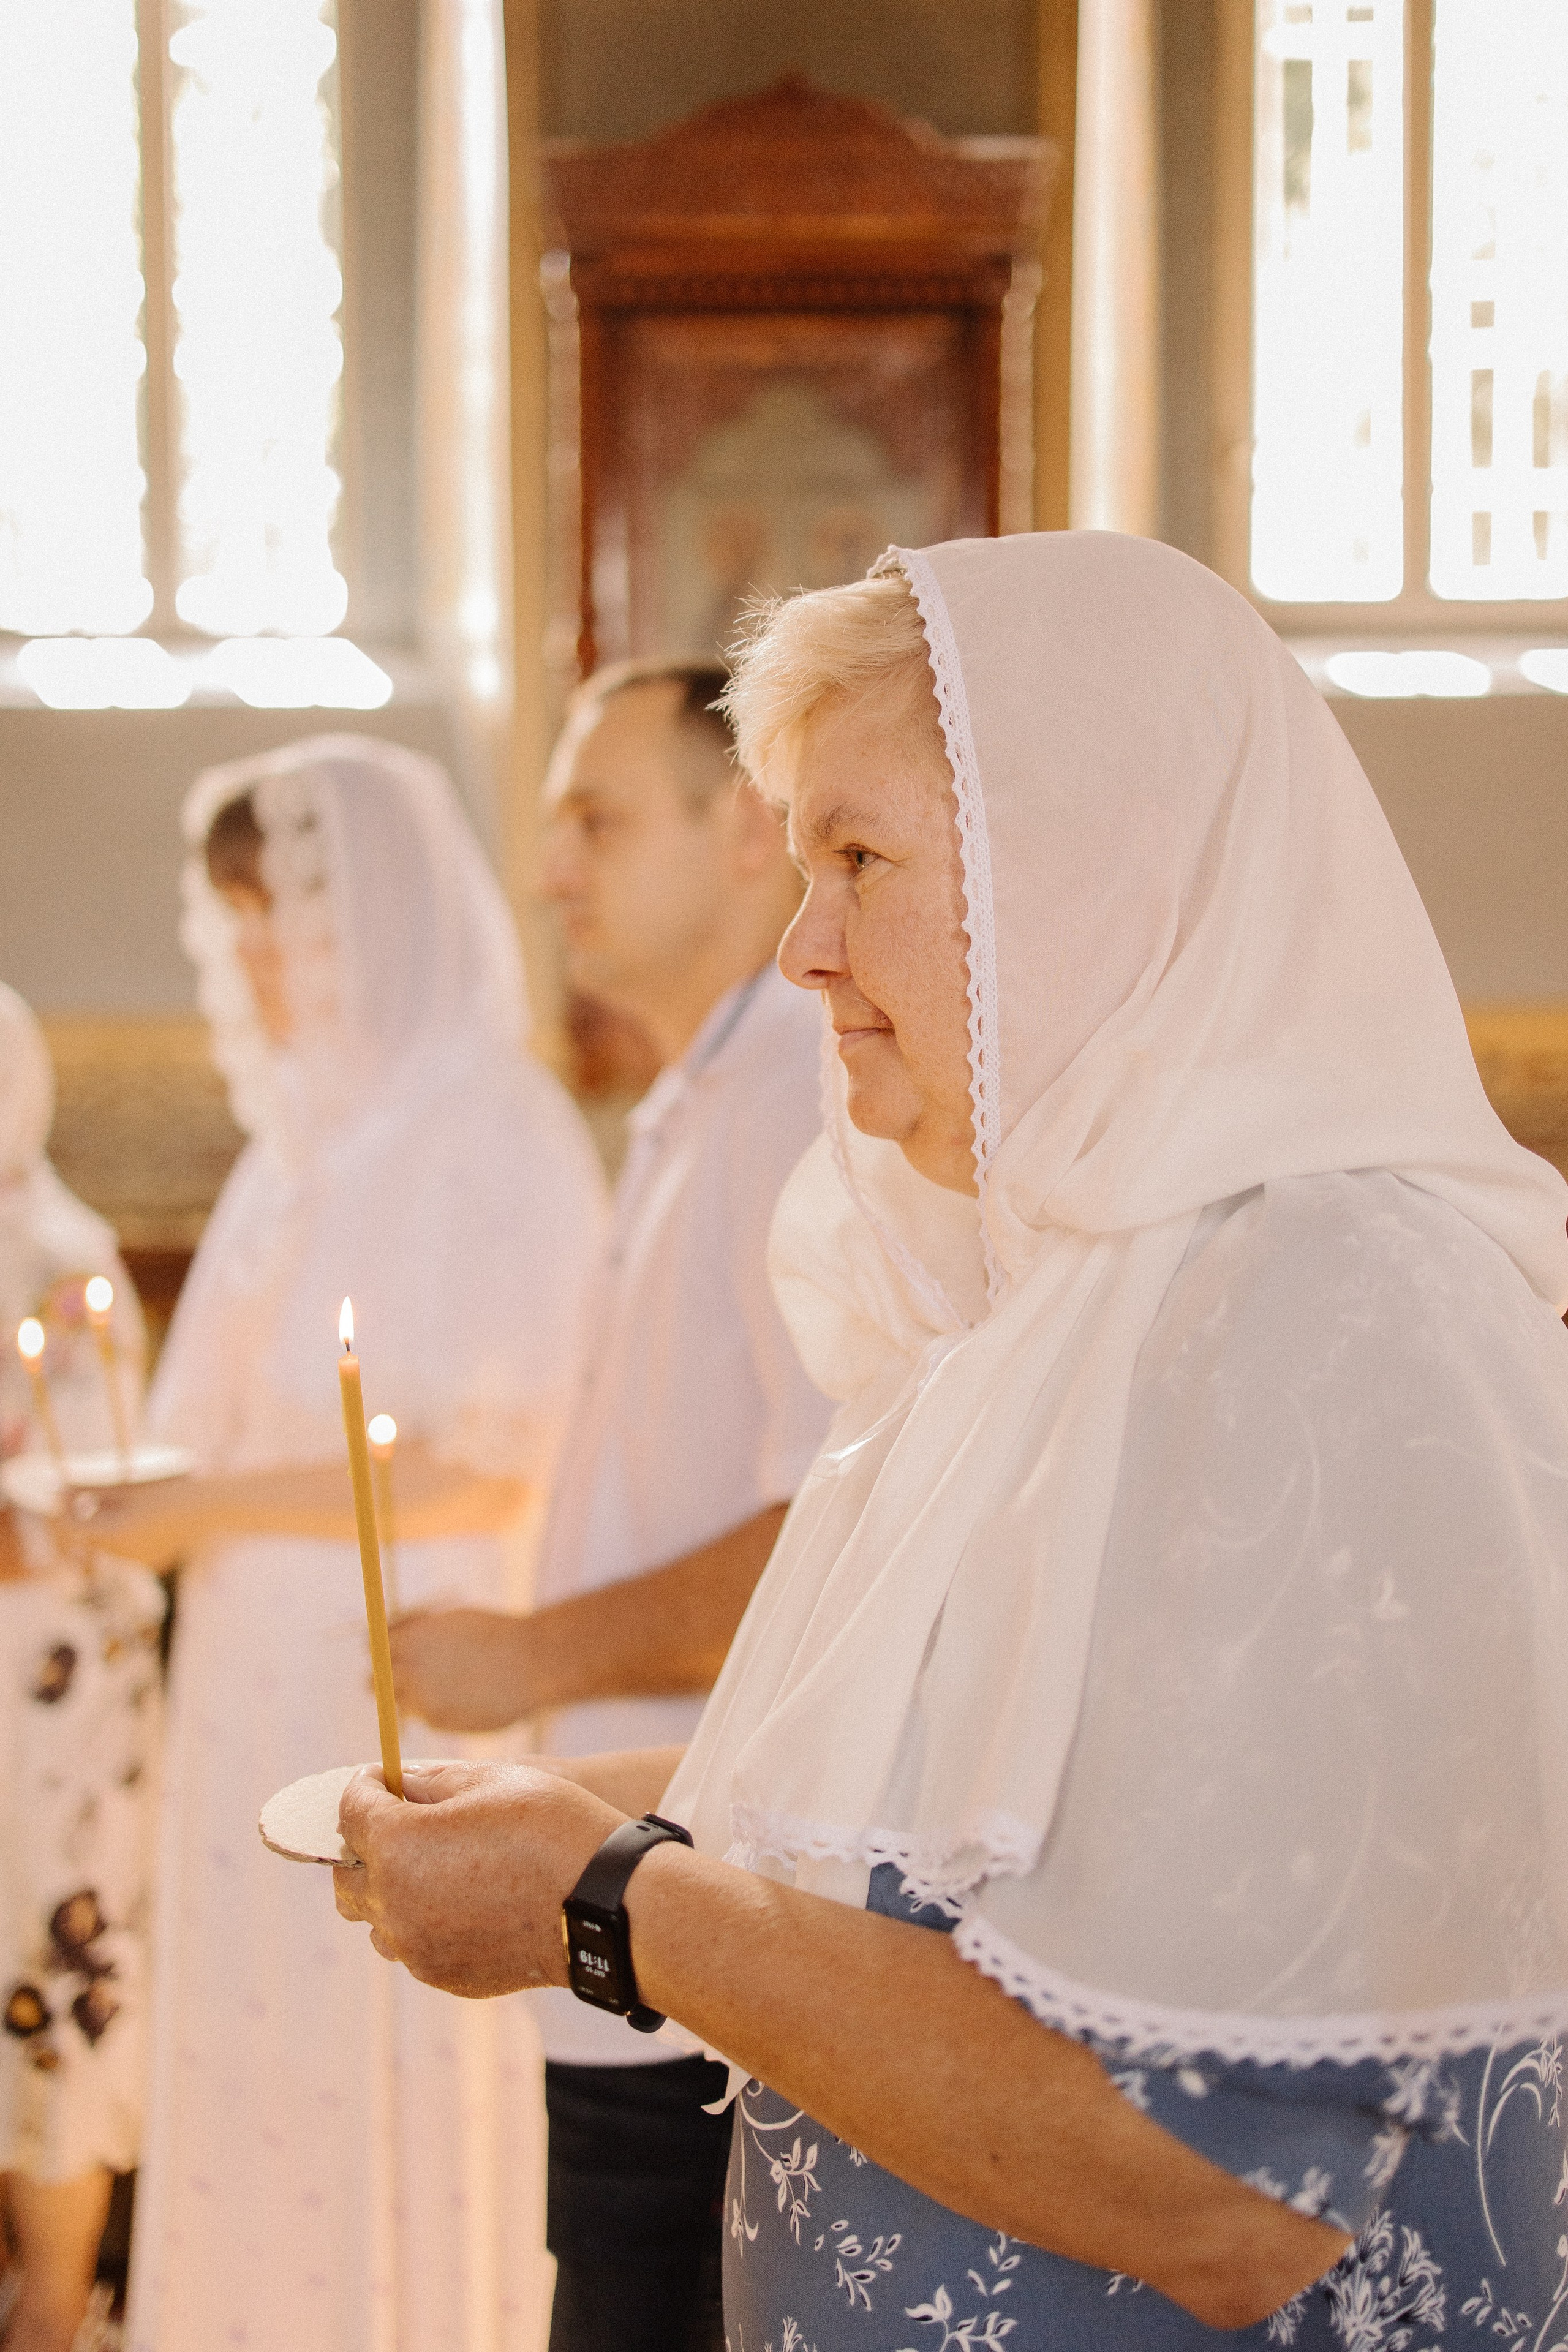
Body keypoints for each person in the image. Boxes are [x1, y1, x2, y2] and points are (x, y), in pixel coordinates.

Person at [334, 533, 1568, 2346]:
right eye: (799, 865)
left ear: (1095, 869)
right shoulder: (1049, 1295)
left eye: (858, 859)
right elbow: (938, 1793)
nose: (802, 950)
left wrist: (605, 1900)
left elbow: (1227, 2183)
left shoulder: (1327, 1302)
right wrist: (571, 1807)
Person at [94, 737, 605, 2352]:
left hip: (392, 1665)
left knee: (384, 2034)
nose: (256, 953)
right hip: (248, 1675)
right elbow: (211, 1424)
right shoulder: (293, 1145)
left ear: (369, 904)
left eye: (283, 911)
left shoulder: (492, 1123)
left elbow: (485, 1459)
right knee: (259, 2054)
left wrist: (206, 1509)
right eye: (236, 917)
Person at [388, 662, 830, 2352]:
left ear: (746, 829)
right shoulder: (698, 1095)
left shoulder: (791, 1091)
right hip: (633, 1893)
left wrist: (530, 1656)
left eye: (595, 819)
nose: (548, 869)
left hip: (710, 1905)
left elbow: (822, 1539)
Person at [0, 984, 163, 2352]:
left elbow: (78, 1508)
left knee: (46, 1975)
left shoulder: (61, 1259)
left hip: (42, 1704)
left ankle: (56, 2301)